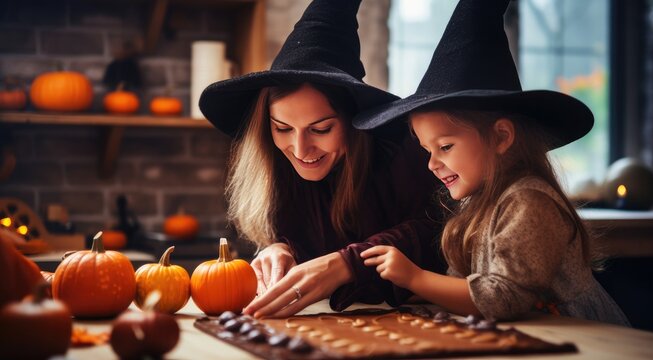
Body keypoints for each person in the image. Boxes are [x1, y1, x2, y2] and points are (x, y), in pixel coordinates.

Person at [354, 0, 629, 326]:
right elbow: (465, 291)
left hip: (584, 339)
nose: (432, 164)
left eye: (444, 146)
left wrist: (414, 278)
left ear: (501, 137)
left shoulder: (529, 201)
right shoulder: (475, 204)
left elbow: (501, 300)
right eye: (427, 150)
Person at [199, 0, 444, 318]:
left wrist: (350, 262)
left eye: (321, 129)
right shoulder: (277, 165)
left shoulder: (402, 154)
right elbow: (295, 244)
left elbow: (438, 232)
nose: (300, 149)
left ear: (354, 121)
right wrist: (277, 248)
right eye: (283, 128)